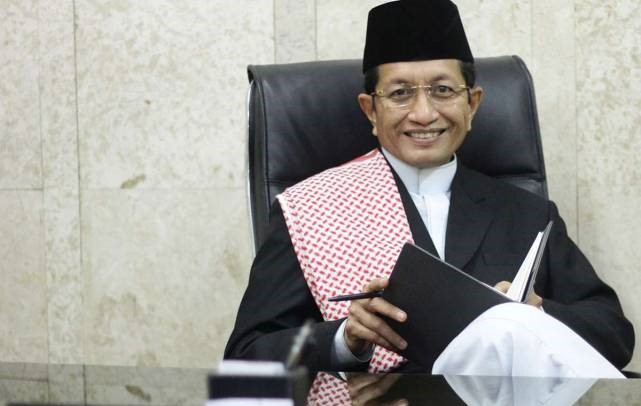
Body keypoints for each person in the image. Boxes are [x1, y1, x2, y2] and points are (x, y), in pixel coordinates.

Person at [224, 0, 634, 375]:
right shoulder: (311, 210)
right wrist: (344, 339)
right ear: (371, 109)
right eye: (400, 93)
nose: (423, 114)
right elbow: (246, 354)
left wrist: (538, 315)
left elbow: (615, 335)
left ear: (472, 104)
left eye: (443, 90)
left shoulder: (528, 213)